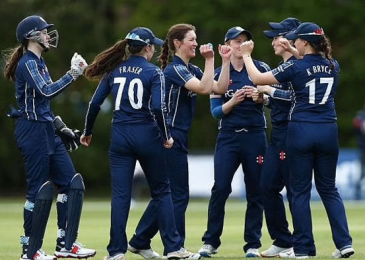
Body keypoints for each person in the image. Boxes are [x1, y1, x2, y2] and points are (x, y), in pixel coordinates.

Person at [239, 22, 355, 259]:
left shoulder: (296, 66)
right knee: (329, 189)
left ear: (303, 42)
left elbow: (258, 78)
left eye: (297, 41)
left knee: (300, 191)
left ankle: (302, 249)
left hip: (301, 130)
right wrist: (293, 52)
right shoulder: (334, 65)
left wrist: (247, 55)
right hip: (328, 130)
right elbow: (310, 66)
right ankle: (344, 243)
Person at [81, 27, 193, 260]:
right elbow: (156, 108)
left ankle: (116, 252)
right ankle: (173, 248)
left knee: (120, 195)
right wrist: (166, 136)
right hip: (146, 134)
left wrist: (87, 131)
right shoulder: (154, 72)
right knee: (162, 191)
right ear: (147, 48)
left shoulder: (113, 69)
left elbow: (94, 104)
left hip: (120, 135)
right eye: (153, 45)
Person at [128, 23, 232, 259]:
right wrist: (209, 60)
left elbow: (219, 87)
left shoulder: (190, 68)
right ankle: (175, 248)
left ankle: (140, 240)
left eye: (196, 39)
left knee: (167, 193)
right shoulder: (175, 69)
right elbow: (205, 88)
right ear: (177, 43)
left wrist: (223, 62)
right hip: (168, 135)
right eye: (191, 39)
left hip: (178, 136)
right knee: (177, 194)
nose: (196, 43)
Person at [3, 15, 96, 260]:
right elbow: (46, 91)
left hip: (45, 128)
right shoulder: (28, 63)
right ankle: (29, 249)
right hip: (31, 131)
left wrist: (60, 126)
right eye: (44, 32)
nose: (48, 36)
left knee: (71, 182)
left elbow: (42, 104)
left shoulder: (39, 63)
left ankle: (67, 243)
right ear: (31, 36)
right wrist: (72, 74)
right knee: (38, 191)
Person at [197, 26, 270, 258]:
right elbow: (216, 112)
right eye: (236, 41)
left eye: (244, 40)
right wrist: (234, 102)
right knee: (220, 188)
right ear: (227, 45)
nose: (241, 44)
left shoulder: (260, 69)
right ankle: (210, 242)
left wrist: (261, 97)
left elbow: (272, 99)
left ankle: (252, 244)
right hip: (229, 136)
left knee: (256, 190)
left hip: (255, 135)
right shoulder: (219, 73)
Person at [256, 17, 301, 258]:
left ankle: (300, 243)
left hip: (293, 133)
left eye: (277, 37)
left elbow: (296, 98)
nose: (273, 42)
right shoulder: (284, 66)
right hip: (278, 134)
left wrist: (269, 91)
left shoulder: (299, 64)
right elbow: (283, 99)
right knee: (267, 186)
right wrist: (267, 100)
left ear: (290, 38)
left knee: (295, 190)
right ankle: (282, 239)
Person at [353, 101, 365, 200]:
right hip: (363, 147)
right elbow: (356, 128)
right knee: (361, 171)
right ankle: (357, 194)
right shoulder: (360, 116)